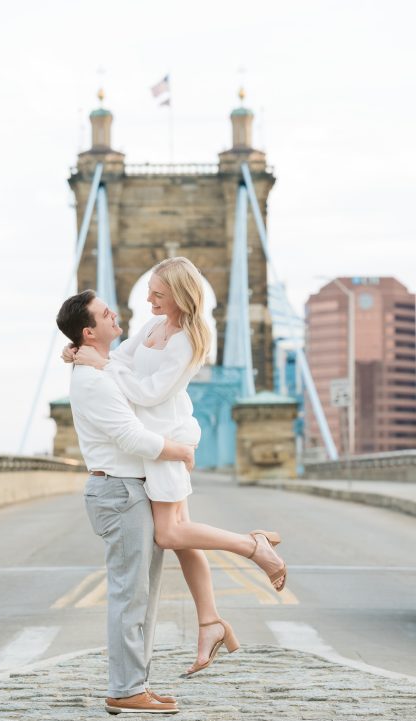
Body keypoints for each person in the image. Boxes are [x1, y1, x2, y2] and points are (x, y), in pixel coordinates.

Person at [65, 257, 287, 676]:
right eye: (148, 290)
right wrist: (87, 353)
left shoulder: (188, 339)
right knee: (183, 538)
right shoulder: (152, 327)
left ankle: (253, 546)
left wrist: (104, 365)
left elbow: (148, 393)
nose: (148, 299)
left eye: (157, 293)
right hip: (156, 443)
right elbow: (122, 360)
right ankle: (210, 624)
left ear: (180, 294)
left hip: (168, 438)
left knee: (170, 533)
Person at [56, 289, 196, 715]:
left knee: (142, 596)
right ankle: (125, 688)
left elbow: (140, 368)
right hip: (119, 491)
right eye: (104, 313)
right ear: (88, 331)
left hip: (129, 489)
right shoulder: (94, 379)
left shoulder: (104, 368)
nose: (115, 313)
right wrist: (181, 451)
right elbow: (130, 436)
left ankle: (136, 685)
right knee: (129, 596)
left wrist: (80, 353)